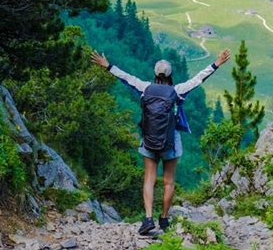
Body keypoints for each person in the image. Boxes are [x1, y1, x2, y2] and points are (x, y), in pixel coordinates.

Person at [91, 48, 231, 235]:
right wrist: (216, 63)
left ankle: (148, 218)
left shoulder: (145, 88)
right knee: (168, 182)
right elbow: (198, 79)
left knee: (149, 179)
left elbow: (126, 77)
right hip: (170, 141)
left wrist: (107, 65)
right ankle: (164, 218)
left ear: (155, 74)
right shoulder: (177, 92)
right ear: (170, 74)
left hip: (149, 139)